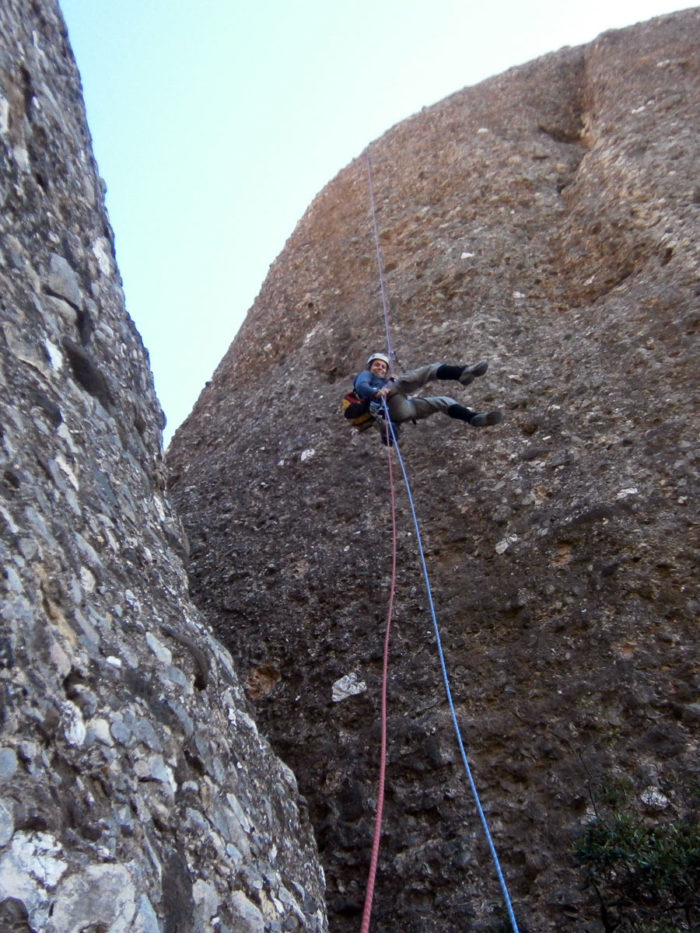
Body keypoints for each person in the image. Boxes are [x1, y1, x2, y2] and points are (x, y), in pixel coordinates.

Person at [351, 352, 502, 444]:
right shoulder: (366, 375)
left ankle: (473, 418)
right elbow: (361, 386)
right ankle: (462, 372)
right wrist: (376, 392)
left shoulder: (385, 381)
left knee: (443, 401)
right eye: (377, 365)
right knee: (426, 371)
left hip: (403, 410)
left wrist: (388, 383)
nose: (380, 368)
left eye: (383, 366)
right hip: (387, 405)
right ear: (370, 366)